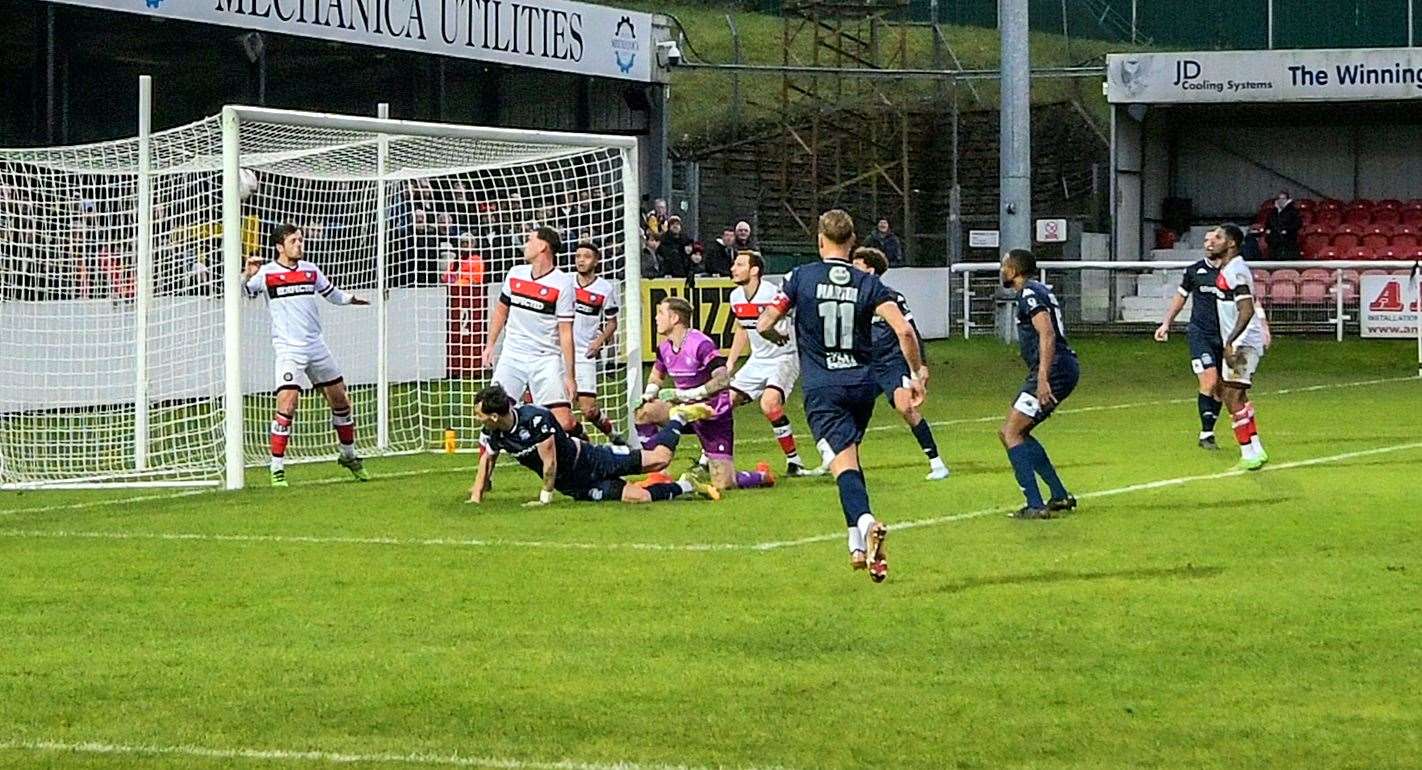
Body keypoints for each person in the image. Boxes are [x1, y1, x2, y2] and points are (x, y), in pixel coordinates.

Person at [756, 209, 927, 582]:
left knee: (841, 466)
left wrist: (775, 335)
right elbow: (905, 332)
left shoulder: (800, 277)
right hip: (862, 387)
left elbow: (766, 321)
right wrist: (916, 374)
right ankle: (857, 547)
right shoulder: (868, 283)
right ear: (852, 243)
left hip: (823, 390)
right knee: (848, 459)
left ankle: (865, 524)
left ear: (820, 240)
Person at [242, 223, 371, 488]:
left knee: (341, 401)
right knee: (287, 404)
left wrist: (352, 299)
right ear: (280, 246)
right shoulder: (268, 273)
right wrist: (247, 275)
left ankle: (348, 456)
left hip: (316, 346)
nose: (300, 245)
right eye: (294, 241)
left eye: (301, 240)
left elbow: (331, 294)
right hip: (289, 348)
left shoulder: (310, 270)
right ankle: (277, 468)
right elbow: (247, 292)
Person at [466, 384, 719, 505]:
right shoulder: (493, 432)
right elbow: (486, 460)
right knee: (639, 497)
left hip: (591, 459)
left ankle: (677, 417)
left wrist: (545, 497)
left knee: (659, 460)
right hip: (575, 485)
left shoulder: (535, 419)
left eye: (479, 414)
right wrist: (476, 498)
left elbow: (550, 462)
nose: (477, 418)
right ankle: (688, 485)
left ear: (495, 416)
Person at [640, 297, 775, 492]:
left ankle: (761, 476)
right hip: (685, 411)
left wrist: (691, 394)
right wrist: (649, 393)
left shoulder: (700, 344)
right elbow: (656, 375)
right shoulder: (664, 348)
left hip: (712, 414)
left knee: (724, 483)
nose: (655, 317)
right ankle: (657, 474)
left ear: (675, 317)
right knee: (644, 411)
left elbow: (723, 380)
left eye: (660, 312)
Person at [851, 247, 949, 480]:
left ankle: (936, 463)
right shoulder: (850, 298)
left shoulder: (891, 297)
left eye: (857, 266)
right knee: (853, 410)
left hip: (891, 362)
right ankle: (841, 459)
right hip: (864, 363)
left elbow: (910, 331)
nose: (852, 271)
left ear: (870, 270)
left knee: (905, 407)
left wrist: (920, 365)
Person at [997, 249, 1079, 519]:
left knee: (1011, 433)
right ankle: (1058, 495)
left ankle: (1035, 504)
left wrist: (1043, 378)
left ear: (1014, 270)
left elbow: (1046, 333)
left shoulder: (1029, 293)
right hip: (1058, 368)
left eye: (1004, 265)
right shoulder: (1037, 289)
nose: (1002, 270)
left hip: (1053, 370)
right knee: (1017, 432)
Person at [724, 250, 820, 477]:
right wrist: (731, 361)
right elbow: (742, 328)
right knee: (723, 404)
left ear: (754, 270)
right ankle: (709, 457)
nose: (733, 268)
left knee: (769, 405)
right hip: (757, 360)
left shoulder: (772, 293)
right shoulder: (735, 297)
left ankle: (794, 461)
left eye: (739, 264)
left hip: (783, 357)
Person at [482, 226, 580, 435]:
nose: (525, 245)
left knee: (565, 423)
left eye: (529, 240)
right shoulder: (515, 274)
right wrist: (490, 345)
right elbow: (500, 312)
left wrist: (570, 375)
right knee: (491, 415)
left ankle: (582, 446)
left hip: (545, 358)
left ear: (543, 246)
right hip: (512, 356)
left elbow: (565, 332)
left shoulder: (562, 283)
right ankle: (485, 467)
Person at [1207, 224, 1270, 471]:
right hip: (1240, 340)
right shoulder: (1230, 268)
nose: (1212, 241)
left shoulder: (1236, 271)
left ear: (1231, 243)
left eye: (1219, 237)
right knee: (1233, 394)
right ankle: (1256, 449)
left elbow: (1246, 310)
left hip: (1243, 342)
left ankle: (1248, 454)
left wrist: (1231, 341)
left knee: (1231, 396)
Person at [1154, 249, 1224, 449]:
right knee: (1209, 380)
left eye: (1213, 241)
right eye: (1206, 242)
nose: (1208, 246)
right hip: (1200, 334)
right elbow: (1180, 296)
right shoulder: (1195, 271)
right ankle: (1206, 433)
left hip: (1225, 336)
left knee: (1221, 388)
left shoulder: (1230, 272)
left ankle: (1208, 431)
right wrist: (1166, 323)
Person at [571, 241, 623, 443]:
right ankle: (583, 442)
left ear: (596, 261)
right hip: (559, 352)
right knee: (561, 408)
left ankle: (614, 435)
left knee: (589, 409)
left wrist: (599, 341)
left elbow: (612, 322)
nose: (581, 260)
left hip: (585, 352)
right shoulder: (566, 282)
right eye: (578, 256)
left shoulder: (604, 288)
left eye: (586, 256)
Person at [1263, 190, 1302, 260]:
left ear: (1287, 200)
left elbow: (1297, 224)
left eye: (1283, 199)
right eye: (1279, 199)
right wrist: (1269, 232)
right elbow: (1268, 224)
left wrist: (1287, 230)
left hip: (1288, 242)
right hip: (1274, 242)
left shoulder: (1293, 211)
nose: (1281, 201)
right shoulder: (1272, 212)